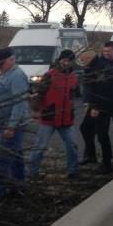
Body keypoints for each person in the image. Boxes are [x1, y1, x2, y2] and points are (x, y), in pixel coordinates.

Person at [27, 49, 79, 179]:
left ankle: (72, 172)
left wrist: (71, 108)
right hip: (48, 117)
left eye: (69, 61)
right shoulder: (50, 74)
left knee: (72, 145)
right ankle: (32, 173)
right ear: (60, 60)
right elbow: (39, 94)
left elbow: (73, 95)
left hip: (66, 119)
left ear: (72, 62)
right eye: (64, 60)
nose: (66, 63)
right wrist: (36, 110)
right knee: (39, 146)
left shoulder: (73, 76)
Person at [0, 47, 30, 198]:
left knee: (3, 158)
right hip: (3, 124)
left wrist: (11, 126)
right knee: (16, 157)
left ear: (12, 60)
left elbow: (20, 103)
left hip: (11, 126)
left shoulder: (17, 76)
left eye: (2, 63)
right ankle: (18, 187)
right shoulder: (4, 74)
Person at [79, 51, 113, 173]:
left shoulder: (100, 68)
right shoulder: (91, 67)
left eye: (83, 60)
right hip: (94, 105)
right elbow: (89, 88)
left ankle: (107, 163)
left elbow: (102, 90)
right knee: (85, 128)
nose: (82, 63)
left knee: (102, 136)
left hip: (102, 107)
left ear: (89, 58)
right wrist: (88, 103)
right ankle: (91, 155)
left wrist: (95, 107)